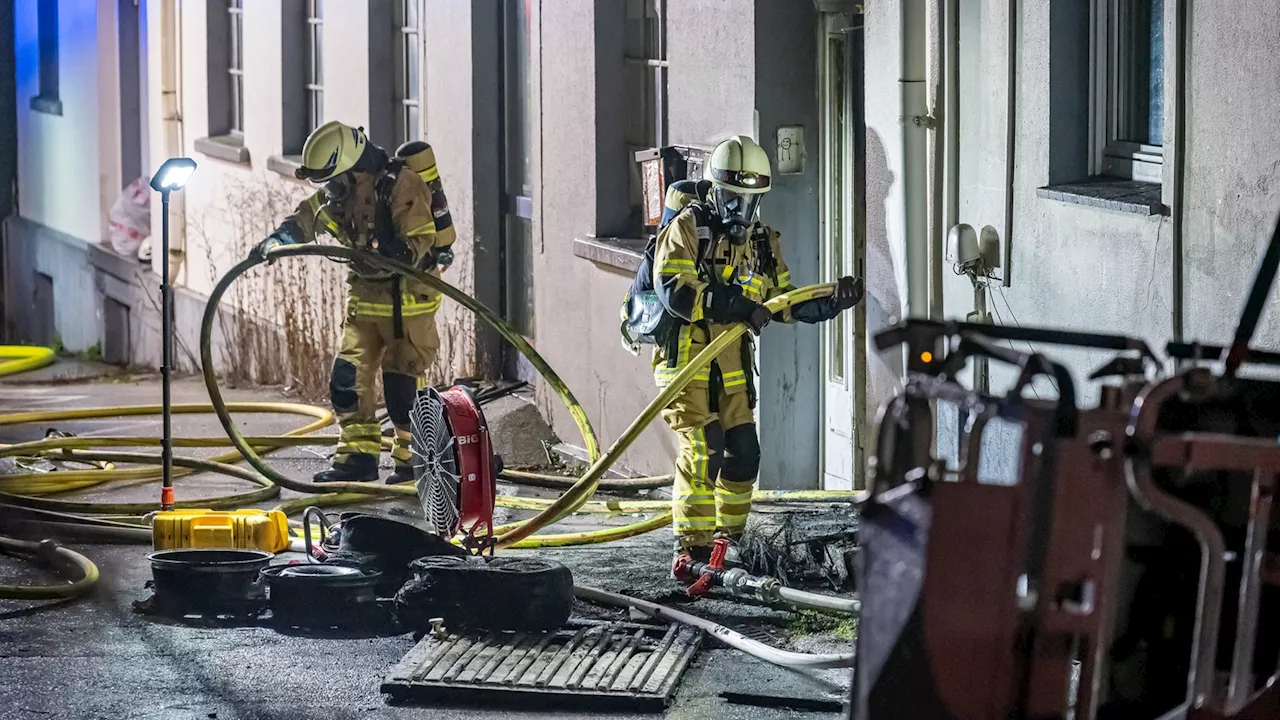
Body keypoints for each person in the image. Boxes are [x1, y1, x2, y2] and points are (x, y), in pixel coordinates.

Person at [650, 135, 864, 588]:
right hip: (686, 364)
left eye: (749, 202)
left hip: (730, 369)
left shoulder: (763, 245)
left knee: (745, 454)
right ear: (714, 191)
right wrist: (737, 305)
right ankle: (692, 548)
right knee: (704, 447)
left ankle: (730, 542)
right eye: (731, 199)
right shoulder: (688, 228)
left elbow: (785, 302)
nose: (739, 213)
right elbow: (675, 291)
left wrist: (833, 301)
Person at [252, 121, 456, 484]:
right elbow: (307, 217)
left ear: (350, 165)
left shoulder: (401, 184)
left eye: (333, 179)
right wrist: (278, 239)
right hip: (365, 300)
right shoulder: (342, 190)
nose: (330, 190)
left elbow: (420, 237)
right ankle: (357, 459)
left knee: (402, 389)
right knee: (347, 380)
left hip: (406, 303)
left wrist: (392, 251)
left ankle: (414, 460)